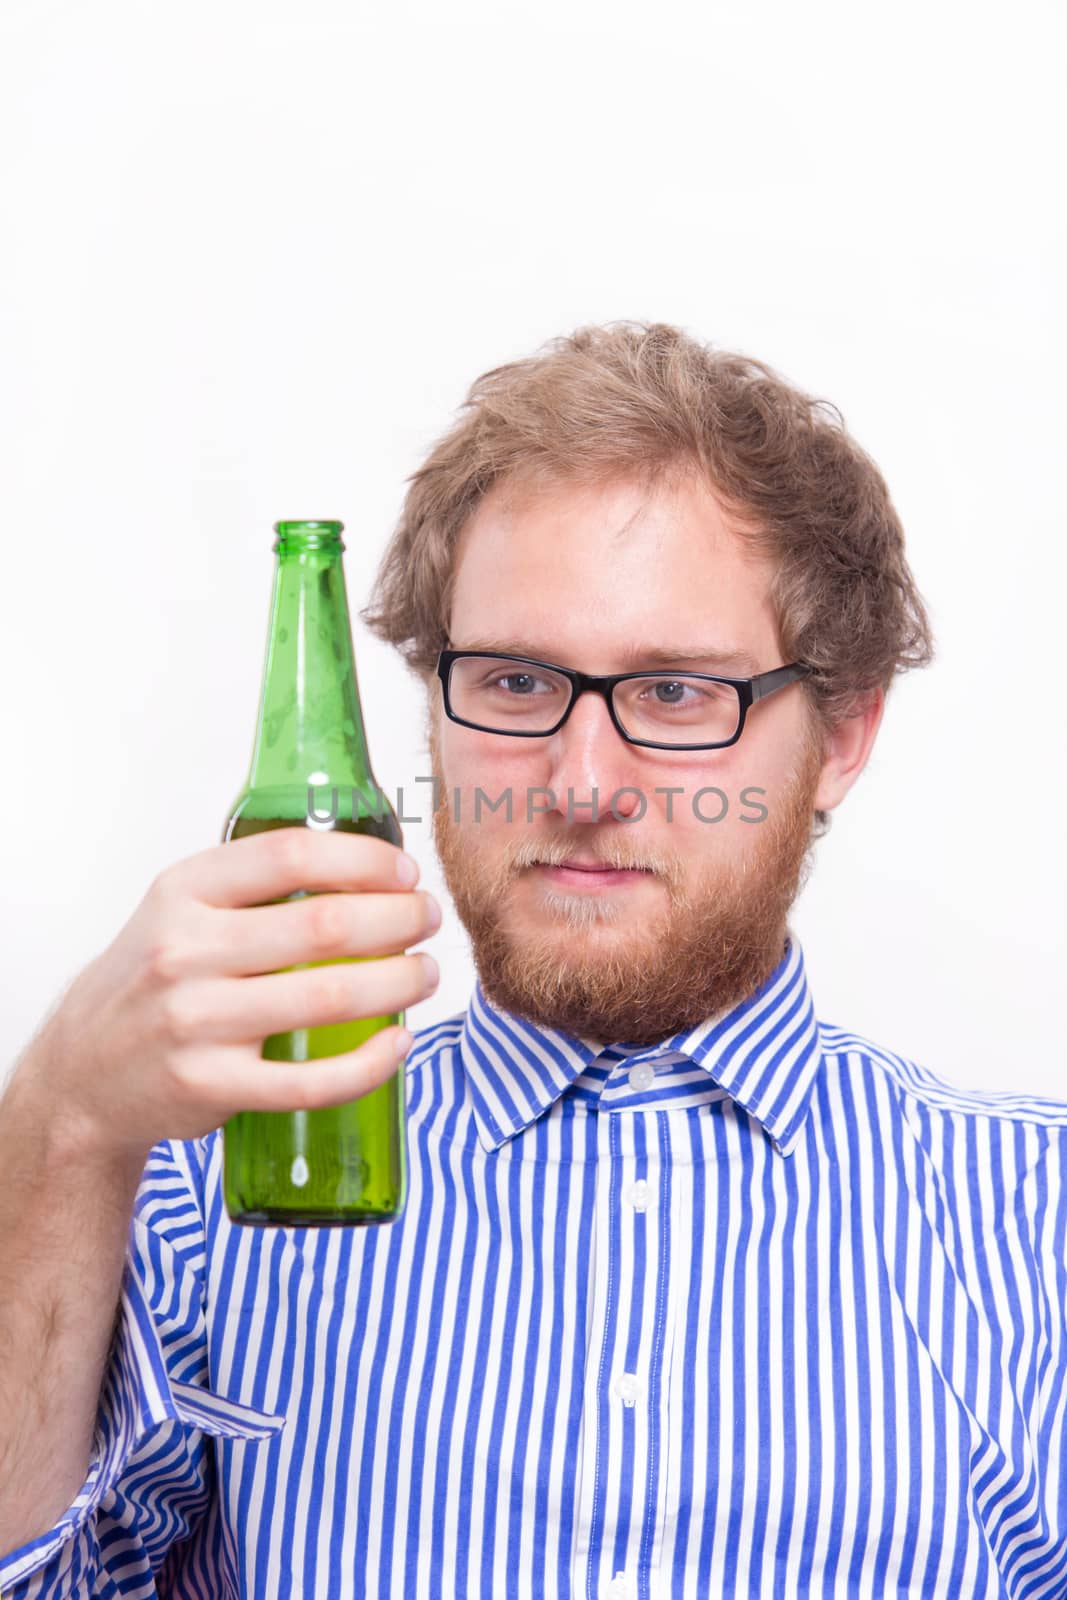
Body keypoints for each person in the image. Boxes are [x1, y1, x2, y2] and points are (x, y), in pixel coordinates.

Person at [1, 322, 1063, 1600]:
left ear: (840, 733)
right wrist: (61, 1120)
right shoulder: (178, 1204)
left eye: (675, 693)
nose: (581, 783)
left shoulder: (1032, 1221)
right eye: (512, 682)